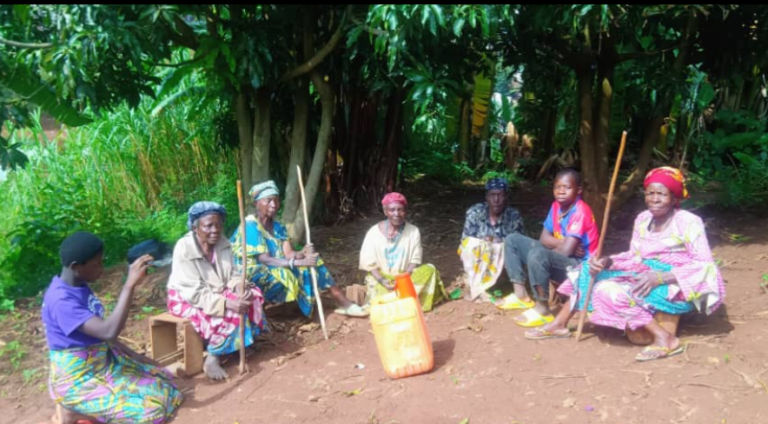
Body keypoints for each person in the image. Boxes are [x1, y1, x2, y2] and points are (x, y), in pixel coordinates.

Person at [526, 167, 726, 362]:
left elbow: (705, 266)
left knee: (608, 290)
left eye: (662, 194)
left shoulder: (688, 222)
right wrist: (608, 261)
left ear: (674, 198)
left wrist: (660, 277)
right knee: (587, 268)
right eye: (650, 193)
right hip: (642, 273)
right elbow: (634, 256)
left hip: (675, 284)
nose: (654, 199)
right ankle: (559, 324)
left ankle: (665, 338)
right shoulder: (642, 219)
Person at [43, 231, 182, 424]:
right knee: (152, 412)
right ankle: (74, 411)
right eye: (96, 264)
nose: (102, 268)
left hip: (101, 365)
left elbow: (103, 335)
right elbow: (108, 331)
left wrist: (136, 356)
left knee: (164, 383)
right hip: (79, 379)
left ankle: (82, 411)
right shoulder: (61, 300)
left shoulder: (78, 285)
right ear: (76, 267)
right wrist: (129, 285)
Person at [230, 181, 368, 318]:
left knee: (315, 260)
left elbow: (289, 254)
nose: (274, 205)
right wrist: (297, 263)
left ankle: (343, 303)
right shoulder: (250, 226)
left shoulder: (278, 226)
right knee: (297, 268)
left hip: (275, 267)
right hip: (252, 275)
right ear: (256, 203)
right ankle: (340, 303)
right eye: (269, 200)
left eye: (277, 200)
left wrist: (302, 253)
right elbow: (265, 260)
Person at [167, 201, 266, 380]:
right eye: (209, 226)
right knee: (231, 311)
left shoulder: (223, 242)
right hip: (187, 298)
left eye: (219, 225)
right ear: (195, 228)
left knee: (253, 296)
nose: (215, 230)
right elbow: (194, 292)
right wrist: (227, 302)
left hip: (217, 292)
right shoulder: (184, 248)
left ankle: (240, 343)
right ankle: (213, 356)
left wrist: (239, 286)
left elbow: (233, 274)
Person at [497, 169, 599, 328]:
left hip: (579, 267)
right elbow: (543, 238)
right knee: (513, 240)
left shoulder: (580, 211)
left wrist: (558, 247)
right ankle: (521, 295)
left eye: (567, 187)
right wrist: (564, 241)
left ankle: (543, 310)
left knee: (538, 254)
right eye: (557, 187)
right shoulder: (556, 206)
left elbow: (565, 252)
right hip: (564, 255)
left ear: (578, 190)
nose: (561, 191)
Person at [359, 192, 447, 312]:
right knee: (383, 299)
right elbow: (369, 263)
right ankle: (403, 299)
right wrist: (382, 280)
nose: (396, 214)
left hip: (405, 277)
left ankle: (403, 297)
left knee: (430, 269)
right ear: (385, 212)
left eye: (400, 210)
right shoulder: (373, 232)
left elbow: (414, 260)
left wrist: (404, 278)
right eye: (392, 210)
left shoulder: (413, 231)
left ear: (405, 211)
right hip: (382, 278)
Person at [458, 177, 525, 302]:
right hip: (479, 260)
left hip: (502, 264)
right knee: (470, 246)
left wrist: (497, 243)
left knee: (503, 249)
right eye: (492, 195)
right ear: (486, 197)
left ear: (506, 196)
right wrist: (484, 243)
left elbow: (518, 244)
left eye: (500, 195)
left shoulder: (513, 216)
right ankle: (479, 286)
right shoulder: (475, 212)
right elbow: (465, 241)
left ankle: (497, 285)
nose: (496, 200)